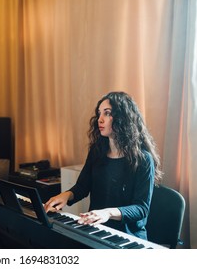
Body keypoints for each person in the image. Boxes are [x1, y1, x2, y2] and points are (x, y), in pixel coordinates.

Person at [44, 91, 162, 240]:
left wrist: (107, 213)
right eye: (99, 113)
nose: (100, 119)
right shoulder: (97, 151)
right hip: (96, 229)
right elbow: (82, 187)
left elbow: (141, 208)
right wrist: (65, 196)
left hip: (127, 237)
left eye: (107, 113)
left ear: (123, 118)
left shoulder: (143, 159)